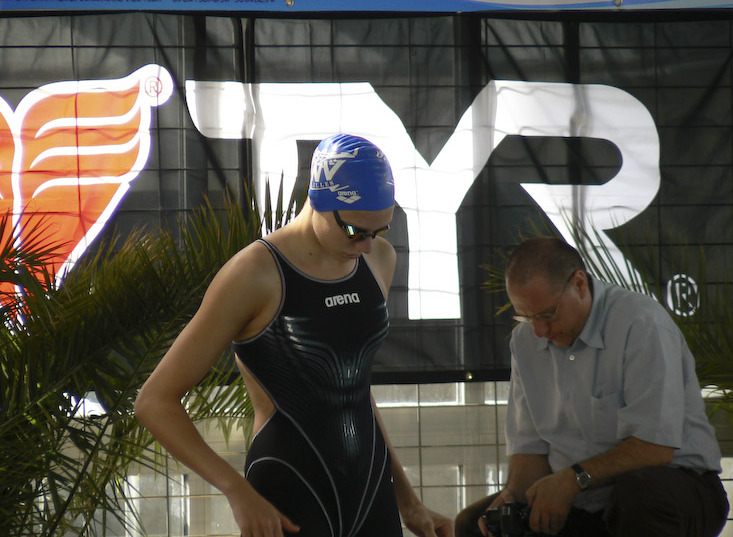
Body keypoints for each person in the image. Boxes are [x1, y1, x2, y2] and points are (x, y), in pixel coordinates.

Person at [135, 133, 454, 537]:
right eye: (355, 230)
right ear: (318, 200)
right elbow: (154, 401)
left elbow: (354, 388)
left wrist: (408, 501)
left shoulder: (378, 260)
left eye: (379, 231)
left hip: (373, 496)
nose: (366, 245)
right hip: (288, 494)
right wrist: (236, 490)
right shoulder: (255, 273)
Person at [455, 237, 728, 537]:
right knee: (475, 524)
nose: (539, 331)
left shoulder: (641, 324)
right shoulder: (524, 341)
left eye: (547, 314)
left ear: (579, 284)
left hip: (675, 484)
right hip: (580, 494)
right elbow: (530, 451)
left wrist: (573, 479)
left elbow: (655, 448)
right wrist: (512, 497)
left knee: (639, 495)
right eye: (526, 317)